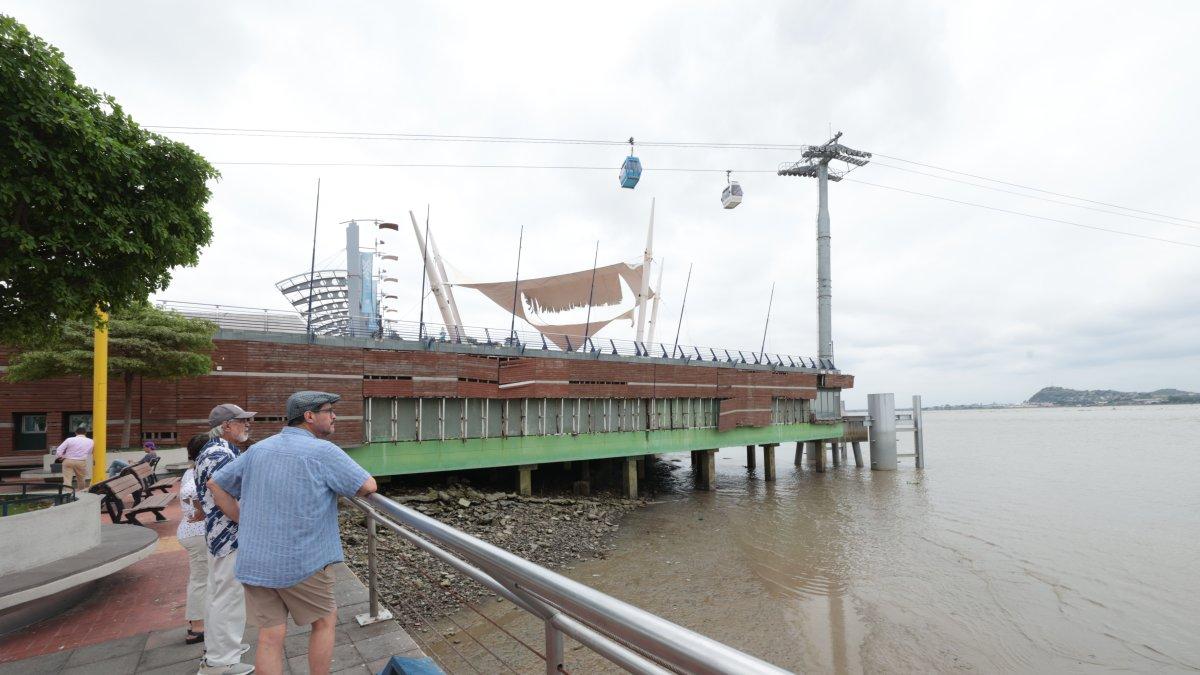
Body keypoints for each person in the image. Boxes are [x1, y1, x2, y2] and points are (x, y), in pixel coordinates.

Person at [210, 391, 376, 675]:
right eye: (328, 410)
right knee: (324, 620)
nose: (334, 415)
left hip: (255, 560)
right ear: (309, 416)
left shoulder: (259, 449)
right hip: (301, 561)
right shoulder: (323, 452)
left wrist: (243, 520)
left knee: (270, 636)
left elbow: (216, 484)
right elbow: (368, 486)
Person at [194, 403, 257, 675]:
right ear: (227, 426)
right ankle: (222, 661)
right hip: (229, 536)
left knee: (219, 594)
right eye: (242, 421)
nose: (247, 425)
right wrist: (247, 521)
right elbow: (219, 491)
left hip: (219, 535)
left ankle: (220, 649)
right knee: (227, 597)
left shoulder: (214, 451)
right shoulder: (220, 454)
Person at [179, 434, 210, 645]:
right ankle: (197, 627)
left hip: (193, 532)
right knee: (200, 580)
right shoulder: (196, 472)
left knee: (201, 579)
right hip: (197, 533)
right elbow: (191, 491)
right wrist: (202, 509)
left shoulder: (190, 470)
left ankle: (196, 621)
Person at [54, 425, 93, 491]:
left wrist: (60, 457)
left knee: (67, 479)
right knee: (81, 479)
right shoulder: (91, 441)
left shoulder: (69, 439)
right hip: (81, 461)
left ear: (76, 433)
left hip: (68, 460)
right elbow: (89, 452)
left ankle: (68, 493)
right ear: (85, 433)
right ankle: (81, 491)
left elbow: (59, 450)